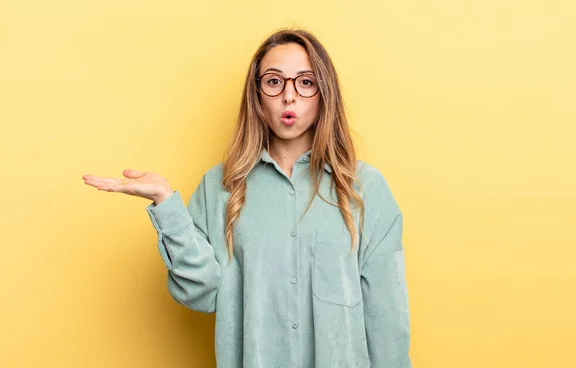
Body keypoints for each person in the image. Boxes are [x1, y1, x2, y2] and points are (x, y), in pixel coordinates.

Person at [82, 28, 411, 368]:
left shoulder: (366, 188)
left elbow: (387, 318)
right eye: (274, 81)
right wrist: (167, 206)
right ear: (256, 94)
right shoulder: (219, 187)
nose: (289, 96)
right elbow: (201, 293)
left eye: (306, 82)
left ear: (324, 93)